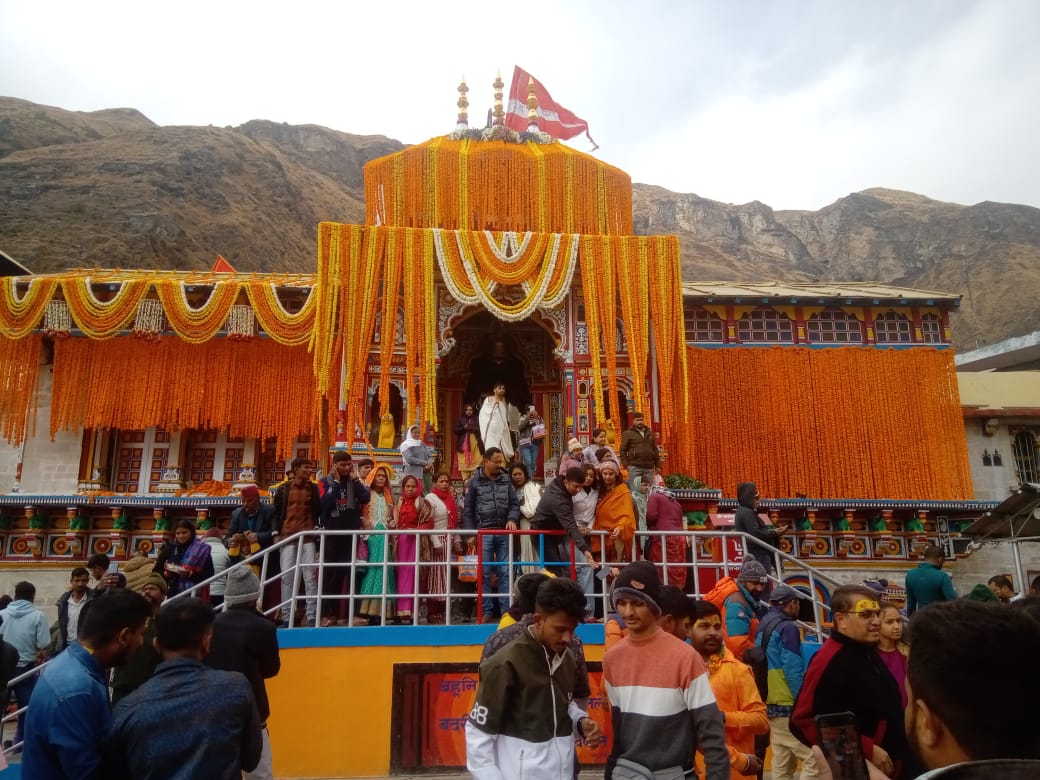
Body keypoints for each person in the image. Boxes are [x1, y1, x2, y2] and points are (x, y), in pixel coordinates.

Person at [108, 598, 262, 779]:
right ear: (206, 642)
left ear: (156, 644)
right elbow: (251, 760)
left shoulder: (127, 709)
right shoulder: (236, 688)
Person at [603, 561, 730, 780]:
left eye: (637, 603)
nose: (628, 611)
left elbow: (711, 731)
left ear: (654, 606)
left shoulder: (685, 657)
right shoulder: (612, 659)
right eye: (621, 603)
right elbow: (619, 735)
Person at [466, 578, 599, 780]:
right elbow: (478, 734)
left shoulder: (567, 658)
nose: (567, 638)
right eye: (560, 629)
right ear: (538, 621)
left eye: (572, 630)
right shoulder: (504, 664)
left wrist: (581, 721)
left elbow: (563, 704)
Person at [790, 585, 918, 779]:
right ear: (841, 620)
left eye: (877, 614)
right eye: (866, 615)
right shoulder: (829, 659)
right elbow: (802, 720)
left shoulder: (866, 651)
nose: (876, 621)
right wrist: (865, 749)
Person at [23, 589, 151, 779]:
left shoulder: (73, 665)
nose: (141, 642)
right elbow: (87, 773)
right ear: (124, 636)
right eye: (141, 634)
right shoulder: (77, 690)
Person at [207, 568, 280, 780]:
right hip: (252, 705)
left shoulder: (212, 623)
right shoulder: (263, 627)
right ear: (254, 595)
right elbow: (271, 669)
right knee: (259, 771)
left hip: (215, 704)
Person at [689, 599, 769, 780]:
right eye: (704, 626)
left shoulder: (737, 670)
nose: (712, 632)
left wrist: (724, 717)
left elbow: (762, 721)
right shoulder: (682, 670)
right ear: (688, 629)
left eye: (717, 627)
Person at [756, 584, 818, 780]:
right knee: (813, 759)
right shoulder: (788, 627)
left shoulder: (764, 623)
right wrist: (803, 701)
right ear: (792, 604)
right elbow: (792, 669)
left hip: (770, 699)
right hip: (787, 702)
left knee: (783, 761)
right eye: (798, 603)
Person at [463, 447, 521, 623]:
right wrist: (470, 533)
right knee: (484, 572)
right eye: (496, 461)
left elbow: (514, 504)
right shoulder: (474, 482)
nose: (499, 465)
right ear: (486, 461)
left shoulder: (506, 480)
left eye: (500, 461)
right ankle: (486, 610)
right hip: (483, 532)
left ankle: (505, 610)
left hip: (503, 531)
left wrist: (512, 519)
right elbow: (468, 510)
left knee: (505, 571)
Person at [318, 451, 371, 626]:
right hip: (332, 534)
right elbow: (326, 503)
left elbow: (365, 497)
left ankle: (350, 614)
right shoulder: (325, 482)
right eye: (342, 465)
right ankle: (329, 613)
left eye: (349, 464)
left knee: (351, 574)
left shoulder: (355, 482)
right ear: (334, 466)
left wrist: (355, 480)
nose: (347, 468)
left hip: (351, 533)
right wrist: (337, 483)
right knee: (330, 575)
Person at [0, 581, 51, 749]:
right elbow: (44, 642)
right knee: (26, 708)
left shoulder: (3, 614)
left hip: (3, 666)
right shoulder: (38, 616)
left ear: (15, 595)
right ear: (33, 597)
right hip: (25, 669)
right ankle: (20, 744)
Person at [272, 457, 320, 627]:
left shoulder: (313, 489)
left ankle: (312, 616)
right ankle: (287, 617)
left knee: (310, 577)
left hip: (307, 537)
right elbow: (276, 513)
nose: (309, 471)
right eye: (306, 467)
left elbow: (316, 511)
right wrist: (275, 533)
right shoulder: (283, 490)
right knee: (287, 577)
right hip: (288, 536)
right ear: (296, 469)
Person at [531, 466, 599, 576]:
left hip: (553, 532)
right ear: (566, 482)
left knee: (559, 569)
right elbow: (570, 524)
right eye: (575, 486)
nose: (578, 490)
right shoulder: (558, 499)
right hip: (543, 534)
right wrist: (584, 548)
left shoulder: (558, 483)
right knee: (555, 570)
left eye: (581, 487)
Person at [110, 573, 166, 705]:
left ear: (163, 595)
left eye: (152, 588)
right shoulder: (130, 618)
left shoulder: (166, 621)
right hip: (124, 684)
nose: (147, 591)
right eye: (145, 589)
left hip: (152, 686)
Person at [357, 464, 397, 626]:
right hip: (372, 535)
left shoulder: (388, 496)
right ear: (373, 477)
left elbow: (392, 515)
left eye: (384, 476)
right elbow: (361, 514)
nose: (381, 478)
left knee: (386, 568)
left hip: (385, 533)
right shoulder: (366, 494)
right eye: (378, 476)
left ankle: (382, 612)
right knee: (375, 567)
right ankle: (370, 611)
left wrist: (393, 522)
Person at [424, 470, 459, 623]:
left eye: (447, 481)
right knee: (436, 577)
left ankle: (443, 612)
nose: (445, 484)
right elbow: (428, 523)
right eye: (441, 481)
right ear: (434, 483)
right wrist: (436, 542)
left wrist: (455, 541)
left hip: (448, 540)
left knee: (445, 578)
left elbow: (453, 522)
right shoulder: (430, 498)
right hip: (436, 542)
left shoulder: (450, 498)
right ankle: (433, 612)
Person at [153, 518, 214, 601]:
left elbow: (209, 574)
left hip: (195, 595)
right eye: (178, 533)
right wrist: (166, 574)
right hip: (173, 593)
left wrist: (190, 574)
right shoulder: (170, 548)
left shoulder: (201, 549)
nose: (181, 536)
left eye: (184, 532)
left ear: (191, 533)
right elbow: (156, 571)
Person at [733, 483, 787, 573]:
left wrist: (773, 531)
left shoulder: (742, 511)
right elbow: (755, 532)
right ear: (749, 499)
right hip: (758, 553)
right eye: (756, 499)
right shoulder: (747, 513)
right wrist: (774, 533)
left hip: (754, 552)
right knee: (763, 582)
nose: (758, 502)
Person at [592, 459, 637, 565]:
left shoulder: (623, 491)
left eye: (611, 474)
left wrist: (620, 527)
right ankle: (603, 581)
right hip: (600, 535)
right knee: (600, 566)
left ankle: (613, 581)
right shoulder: (597, 490)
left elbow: (627, 514)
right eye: (605, 473)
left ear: (616, 474)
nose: (607, 477)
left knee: (615, 566)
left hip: (616, 537)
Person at [723, 559, 769, 659]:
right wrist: (760, 657)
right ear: (743, 581)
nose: (759, 588)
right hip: (738, 665)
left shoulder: (748, 601)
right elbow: (738, 647)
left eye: (762, 584)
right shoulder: (737, 605)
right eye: (755, 583)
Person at [572, 464, 601, 621]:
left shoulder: (596, 492)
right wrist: (576, 527)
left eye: (591, 475)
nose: (589, 478)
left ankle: (589, 611)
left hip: (591, 534)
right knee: (583, 569)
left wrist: (590, 527)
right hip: (573, 533)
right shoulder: (574, 491)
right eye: (586, 475)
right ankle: (583, 610)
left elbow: (596, 513)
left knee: (595, 569)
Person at [646, 482, 687, 588]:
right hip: (679, 537)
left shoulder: (654, 496)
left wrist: (649, 527)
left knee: (662, 566)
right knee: (676, 566)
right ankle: (677, 590)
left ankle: (663, 590)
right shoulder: (675, 502)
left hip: (663, 536)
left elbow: (651, 515)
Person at [226, 485, 279, 564]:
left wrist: (258, 536)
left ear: (258, 499)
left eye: (249, 501)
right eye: (243, 501)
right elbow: (227, 537)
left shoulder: (270, 510)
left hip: (265, 557)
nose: (246, 504)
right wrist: (229, 541)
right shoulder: (236, 514)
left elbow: (275, 532)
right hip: (242, 559)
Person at [510, 463, 542, 574]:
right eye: (514, 474)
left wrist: (518, 509)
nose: (517, 477)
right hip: (513, 529)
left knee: (531, 558)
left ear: (525, 474)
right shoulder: (510, 489)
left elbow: (531, 510)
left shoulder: (532, 488)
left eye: (520, 474)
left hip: (527, 526)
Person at [905, 546, 956, 615]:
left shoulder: (910, 574)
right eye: (943, 562)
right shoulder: (942, 576)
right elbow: (953, 601)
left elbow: (911, 604)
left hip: (920, 618)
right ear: (940, 559)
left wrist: (911, 622)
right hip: (939, 618)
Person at [877, 601, 908, 709]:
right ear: (876, 624)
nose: (897, 626)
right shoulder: (870, 656)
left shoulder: (908, 652)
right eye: (889, 622)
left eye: (899, 621)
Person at [618, 411, 660, 489]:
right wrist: (626, 465)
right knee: (634, 489)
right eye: (637, 420)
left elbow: (655, 450)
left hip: (649, 467)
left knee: (648, 489)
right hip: (634, 466)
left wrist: (658, 465)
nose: (640, 422)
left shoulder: (650, 433)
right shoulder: (628, 433)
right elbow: (623, 450)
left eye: (641, 420)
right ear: (633, 422)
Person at [56, 567, 94, 652]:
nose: (80, 584)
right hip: (66, 646)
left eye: (83, 580)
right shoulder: (63, 602)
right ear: (71, 581)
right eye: (77, 580)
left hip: (85, 646)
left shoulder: (93, 601)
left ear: (87, 581)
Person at [479, 383, 514, 460]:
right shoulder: (488, 399)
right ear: (494, 390)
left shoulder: (503, 402)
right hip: (490, 430)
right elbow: (483, 414)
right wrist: (495, 405)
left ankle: (499, 466)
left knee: (500, 448)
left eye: (503, 388)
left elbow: (504, 418)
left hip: (500, 429)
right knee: (490, 448)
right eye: (500, 388)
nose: (502, 390)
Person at [202, 528, 231, 608]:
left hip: (203, 590)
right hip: (220, 591)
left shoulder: (201, 550)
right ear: (220, 538)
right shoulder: (225, 551)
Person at [454, 402, 485, 481]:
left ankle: (474, 484)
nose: (469, 411)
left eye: (470, 410)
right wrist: (464, 428)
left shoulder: (477, 419)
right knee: (464, 468)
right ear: (464, 411)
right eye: (467, 410)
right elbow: (455, 430)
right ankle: (466, 486)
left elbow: (482, 429)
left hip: (475, 445)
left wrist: (472, 428)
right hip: (463, 447)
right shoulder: (461, 419)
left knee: (476, 468)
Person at [516, 404, 543, 479]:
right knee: (528, 461)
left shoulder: (538, 418)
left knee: (533, 463)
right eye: (529, 410)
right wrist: (527, 419)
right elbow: (519, 427)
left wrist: (537, 418)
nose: (531, 412)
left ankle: (530, 478)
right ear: (526, 411)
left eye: (532, 410)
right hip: (525, 442)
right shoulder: (523, 418)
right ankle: (529, 480)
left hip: (535, 443)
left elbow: (542, 427)